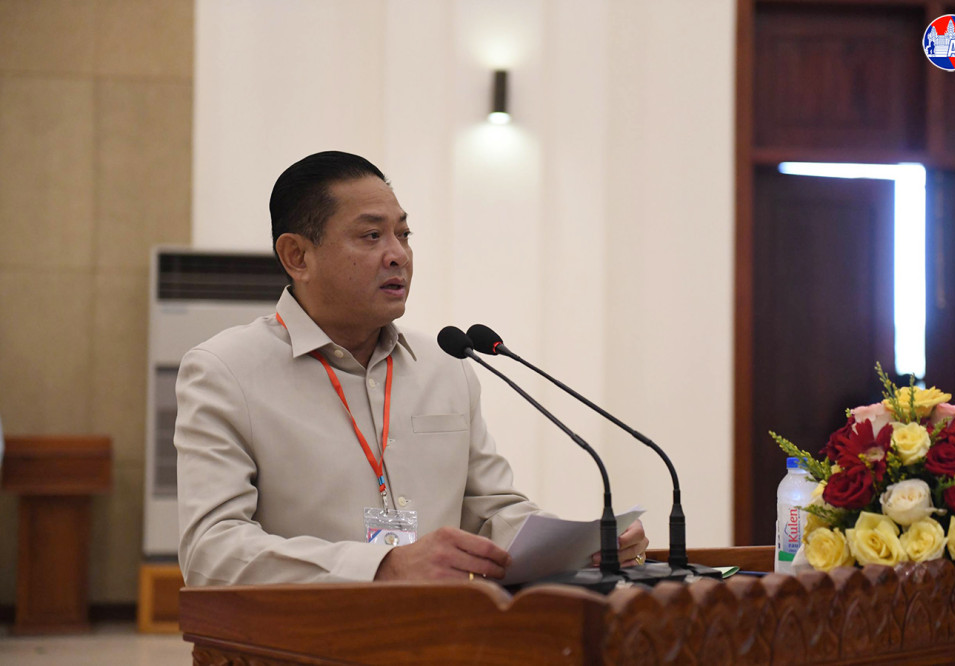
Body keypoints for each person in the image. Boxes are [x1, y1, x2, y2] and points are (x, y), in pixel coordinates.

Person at [174, 150, 647, 585]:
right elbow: (211, 551)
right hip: (308, 636)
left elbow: (491, 515)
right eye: (371, 235)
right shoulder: (226, 371)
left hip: (443, 632)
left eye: (403, 234)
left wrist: (581, 547)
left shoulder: (446, 365)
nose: (398, 254)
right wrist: (380, 567)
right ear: (297, 256)